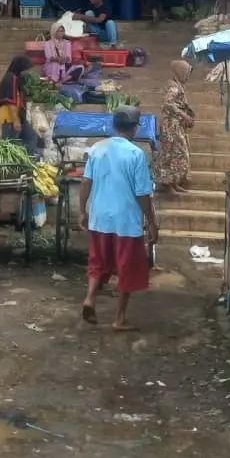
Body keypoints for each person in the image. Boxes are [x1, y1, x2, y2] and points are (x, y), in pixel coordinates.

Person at [79, 105, 158, 331]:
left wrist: (82, 210)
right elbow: (142, 194)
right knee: (127, 268)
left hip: (99, 218)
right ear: (135, 128)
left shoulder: (97, 149)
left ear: (114, 125)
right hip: (126, 221)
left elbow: (85, 182)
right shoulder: (136, 154)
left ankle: (90, 298)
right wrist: (152, 222)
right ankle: (119, 319)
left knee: (98, 261)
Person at [156, 59, 195, 193]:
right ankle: (167, 183)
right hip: (171, 125)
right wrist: (184, 115)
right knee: (174, 153)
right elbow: (168, 104)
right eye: (186, 73)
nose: (187, 77)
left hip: (176, 125)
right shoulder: (174, 87)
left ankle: (174, 182)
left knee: (176, 153)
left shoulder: (176, 85)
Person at [0, 54, 39, 155]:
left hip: (18, 117)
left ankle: (25, 159)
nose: (27, 72)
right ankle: (15, 162)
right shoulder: (10, 78)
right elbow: (10, 101)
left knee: (31, 137)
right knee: (10, 146)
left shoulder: (17, 79)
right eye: (25, 69)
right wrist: (16, 120)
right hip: (10, 118)